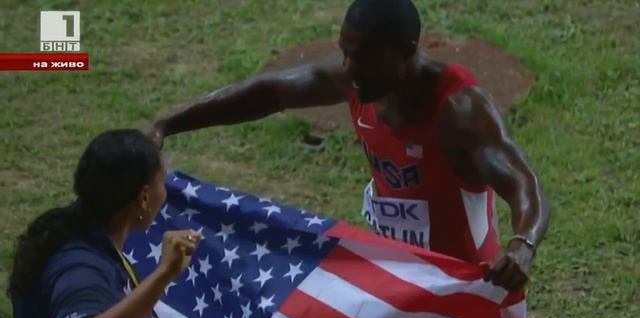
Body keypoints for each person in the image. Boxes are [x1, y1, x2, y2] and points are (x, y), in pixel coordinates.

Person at [145, 0, 550, 292]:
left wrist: (523, 244)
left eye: (363, 58)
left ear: (407, 51)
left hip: (465, 283)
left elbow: (523, 183)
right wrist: (169, 123)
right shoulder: (357, 81)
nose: (348, 69)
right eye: (345, 54)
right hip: (396, 270)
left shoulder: (460, 109)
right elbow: (267, 94)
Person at [8, 129, 203, 318]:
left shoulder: (77, 232)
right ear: (144, 198)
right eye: (163, 180)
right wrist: (164, 273)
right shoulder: (79, 267)